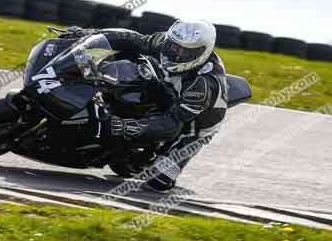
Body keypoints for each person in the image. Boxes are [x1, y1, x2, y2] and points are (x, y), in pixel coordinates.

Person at [58, 19, 228, 192]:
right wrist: (87, 35)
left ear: (202, 53)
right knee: (131, 57)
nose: (176, 54)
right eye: (174, 46)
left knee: (158, 181)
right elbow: (129, 38)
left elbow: (171, 124)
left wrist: (125, 127)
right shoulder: (165, 42)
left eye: (185, 52)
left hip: (194, 122)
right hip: (168, 87)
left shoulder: (202, 85)